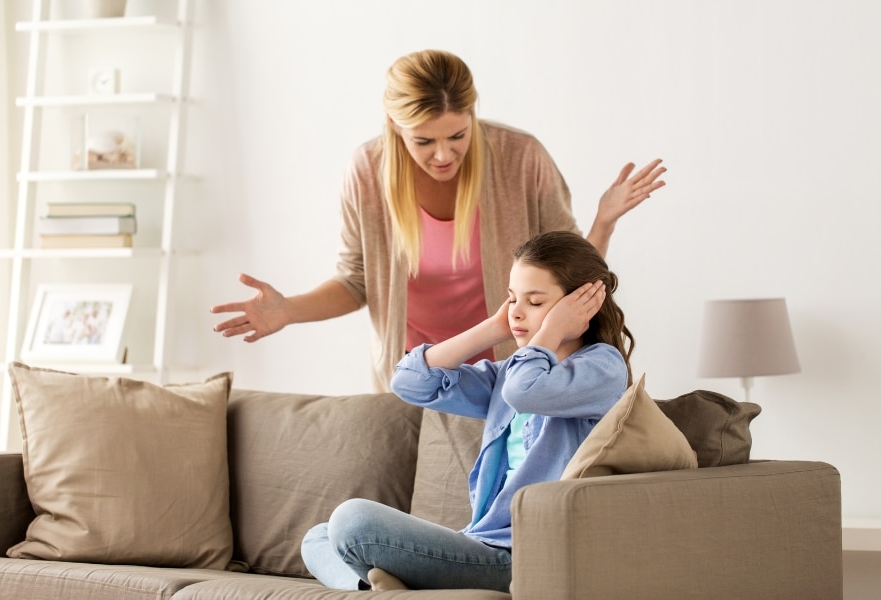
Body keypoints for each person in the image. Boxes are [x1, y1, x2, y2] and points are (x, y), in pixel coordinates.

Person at [211, 49, 663, 391]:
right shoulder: (367, 171)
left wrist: (604, 222)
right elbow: (356, 281)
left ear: (472, 113)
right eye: (424, 141)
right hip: (420, 371)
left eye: (458, 135)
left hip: (512, 369)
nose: (444, 155)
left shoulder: (521, 158)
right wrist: (288, 310)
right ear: (394, 125)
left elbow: (573, 275)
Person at [299, 230, 635, 592]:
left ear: (582, 306)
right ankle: (375, 587)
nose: (516, 312)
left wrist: (551, 331)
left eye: (535, 302)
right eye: (512, 299)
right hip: (479, 540)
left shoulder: (602, 368)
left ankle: (391, 582)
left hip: (525, 555)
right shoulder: (508, 374)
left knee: (352, 521)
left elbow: (524, 391)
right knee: (318, 536)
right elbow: (409, 383)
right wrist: (493, 328)